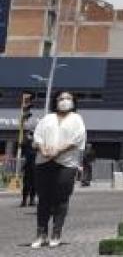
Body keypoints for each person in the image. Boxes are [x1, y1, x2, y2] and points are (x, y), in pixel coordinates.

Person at [30, 91, 86, 248]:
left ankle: (56, 232)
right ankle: (41, 234)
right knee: (44, 199)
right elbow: (37, 137)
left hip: (66, 164)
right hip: (44, 162)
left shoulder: (77, 119)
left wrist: (59, 151)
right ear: (55, 101)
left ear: (73, 101)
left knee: (61, 199)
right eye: (61, 98)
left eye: (68, 98)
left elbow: (78, 139)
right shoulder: (47, 118)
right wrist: (43, 149)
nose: (64, 101)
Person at [20, 105, 38, 207]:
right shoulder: (35, 141)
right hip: (34, 164)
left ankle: (26, 200)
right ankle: (28, 200)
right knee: (32, 182)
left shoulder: (27, 140)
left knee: (28, 182)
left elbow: (23, 148)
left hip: (30, 164)